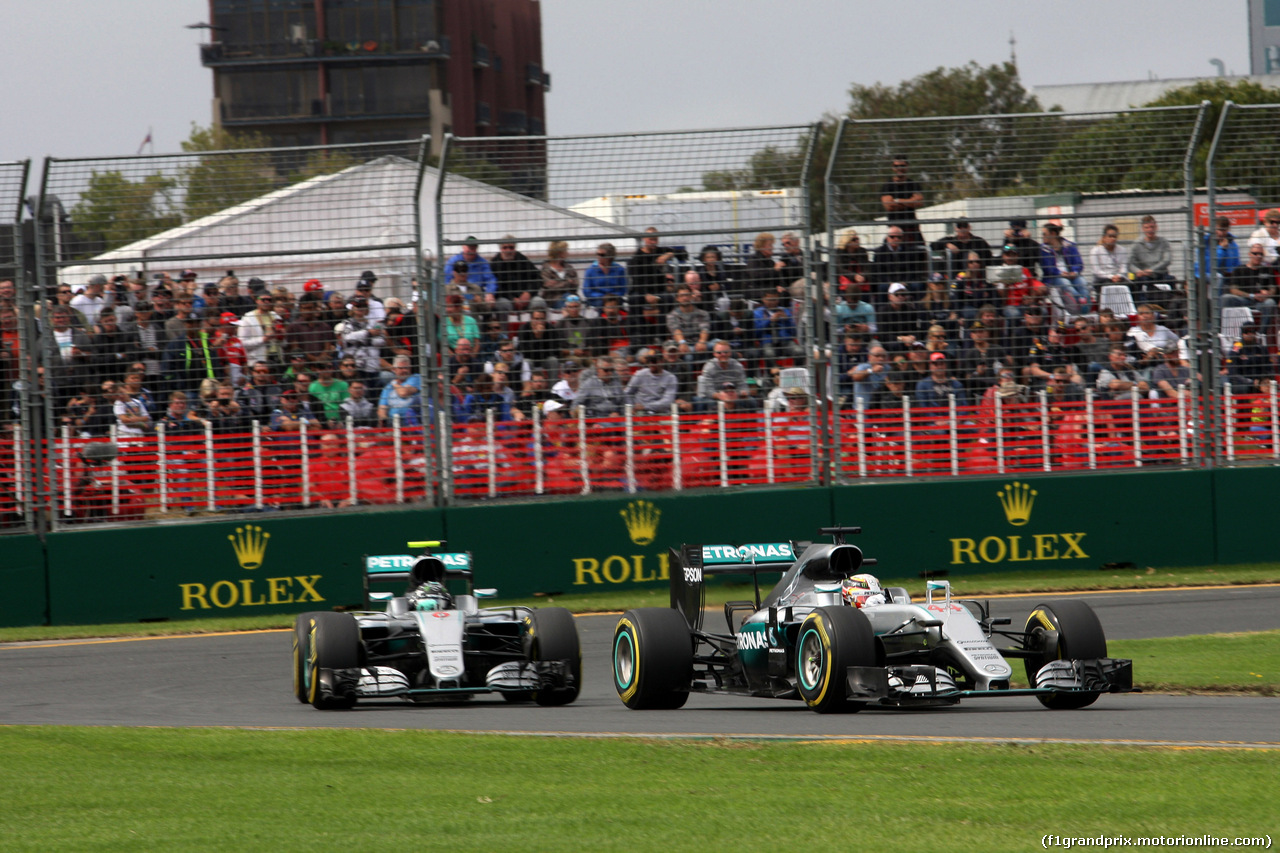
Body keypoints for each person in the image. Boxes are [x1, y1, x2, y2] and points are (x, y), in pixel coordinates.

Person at [1039, 223, 1090, 314]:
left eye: (1044, 234)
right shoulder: (1044, 249)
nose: (1042, 236)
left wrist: (1074, 271)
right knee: (1065, 283)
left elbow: (1078, 263)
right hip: (1054, 277)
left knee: (1082, 282)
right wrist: (1060, 273)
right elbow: (1047, 268)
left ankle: (1084, 312)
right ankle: (1080, 304)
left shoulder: (1069, 245)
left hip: (1071, 275)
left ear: (1053, 234)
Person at [334, 298, 385, 385]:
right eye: (358, 306)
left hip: (372, 366)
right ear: (353, 308)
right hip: (356, 367)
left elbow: (381, 341)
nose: (360, 308)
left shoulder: (374, 324)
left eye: (363, 306)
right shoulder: (347, 323)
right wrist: (368, 333)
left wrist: (361, 339)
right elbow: (348, 338)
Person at [1225, 244, 1277, 327]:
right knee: (1226, 298)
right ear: (1249, 254)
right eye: (1255, 253)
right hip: (1244, 300)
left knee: (1270, 303)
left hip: (1261, 302)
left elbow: (1273, 289)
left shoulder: (1268, 270)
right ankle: (1222, 332)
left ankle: (1261, 334)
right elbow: (1233, 289)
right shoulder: (1239, 269)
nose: (1258, 256)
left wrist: (1267, 294)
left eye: (1261, 254)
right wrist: (1251, 296)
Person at [626, 228, 682, 306]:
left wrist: (668, 255)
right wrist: (646, 295)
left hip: (659, 290)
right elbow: (636, 281)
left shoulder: (661, 251)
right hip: (641, 291)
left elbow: (684, 254)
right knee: (634, 299)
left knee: (669, 299)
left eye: (655, 239)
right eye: (651, 239)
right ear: (644, 238)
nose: (653, 242)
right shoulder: (636, 258)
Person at [445, 237, 501, 312]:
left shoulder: (482, 263)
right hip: (457, 294)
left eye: (473, 248)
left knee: (490, 304)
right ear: (463, 247)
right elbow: (446, 280)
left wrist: (489, 293)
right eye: (469, 248)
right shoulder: (452, 261)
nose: (471, 251)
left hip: (476, 293)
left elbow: (490, 279)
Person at [879, 155, 924, 245]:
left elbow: (918, 202)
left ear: (907, 166)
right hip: (894, 230)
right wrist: (909, 201)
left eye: (902, 166)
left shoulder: (913, 184)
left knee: (921, 254)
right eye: (896, 166)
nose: (899, 168)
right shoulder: (887, 186)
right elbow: (889, 206)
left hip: (912, 228)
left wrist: (897, 201)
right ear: (892, 167)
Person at [871, 226, 928, 296]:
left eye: (899, 237)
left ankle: (917, 306)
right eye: (892, 237)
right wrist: (890, 283)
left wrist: (905, 282)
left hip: (905, 282)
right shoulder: (880, 252)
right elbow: (877, 272)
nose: (896, 239)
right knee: (882, 287)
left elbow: (913, 270)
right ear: (887, 238)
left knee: (917, 285)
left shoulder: (909, 251)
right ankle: (882, 307)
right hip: (888, 282)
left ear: (902, 238)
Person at [490, 236, 540, 313]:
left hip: (526, 298)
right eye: (505, 247)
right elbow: (496, 287)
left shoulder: (522, 259)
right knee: (502, 304)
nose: (508, 250)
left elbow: (537, 277)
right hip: (506, 298)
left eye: (511, 247)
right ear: (500, 249)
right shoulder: (494, 264)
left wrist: (528, 293)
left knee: (539, 302)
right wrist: (512, 299)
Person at [1128, 214, 1175, 288]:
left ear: (1156, 227)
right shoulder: (1137, 244)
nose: (1150, 230)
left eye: (1152, 227)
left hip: (1160, 274)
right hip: (1143, 276)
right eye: (1147, 227)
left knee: (1171, 280)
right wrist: (1137, 271)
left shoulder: (1163, 242)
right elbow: (1130, 263)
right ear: (1143, 229)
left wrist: (1152, 270)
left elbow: (1167, 260)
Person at [238, 291, 284, 367]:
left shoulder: (276, 317)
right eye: (263, 300)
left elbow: (284, 344)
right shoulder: (248, 318)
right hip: (257, 362)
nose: (266, 302)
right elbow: (242, 343)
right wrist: (263, 339)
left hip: (276, 359)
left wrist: (282, 336)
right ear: (257, 300)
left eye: (269, 300)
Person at [666, 284, 711, 356]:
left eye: (687, 295)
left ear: (691, 296)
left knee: (720, 346)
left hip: (700, 342)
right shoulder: (672, 315)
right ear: (677, 298)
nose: (685, 298)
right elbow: (676, 331)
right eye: (682, 296)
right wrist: (682, 343)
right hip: (683, 344)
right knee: (687, 355)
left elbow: (704, 329)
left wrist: (702, 341)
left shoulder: (702, 313)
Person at [378, 356, 422, 426]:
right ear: (394, 369)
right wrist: (384, 419)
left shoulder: (416, 378)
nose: (404, 370)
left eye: (406, 368)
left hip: (411, 421)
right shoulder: (388, 388)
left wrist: (394, 383)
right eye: (401, 368)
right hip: (393, 422)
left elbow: (403, 393)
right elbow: (382, 408)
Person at [583, 243, 629, 308]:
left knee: (614, 305)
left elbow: (623, 289)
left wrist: (612, 297)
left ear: (609, 256)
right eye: (597, 254)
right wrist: (602, 297)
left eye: (602, 255)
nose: (598, 257)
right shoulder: (591, 270)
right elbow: (587, 291)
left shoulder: (619, 270)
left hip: (615, 299)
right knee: (603, 305)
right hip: (597, 300)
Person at [516, 306, 560, 372]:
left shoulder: (551, 329)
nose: (539, 322)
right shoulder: (524, 329)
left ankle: (553, 382)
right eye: (536, 319)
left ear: (545, 319)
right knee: (526, 362)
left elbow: (554, 351)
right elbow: (524, 352)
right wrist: (536, 337)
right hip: (530, 359)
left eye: (541, 319)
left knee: (553, 360)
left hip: (545, 359)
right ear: (531, 319)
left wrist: (541, 336)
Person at [1197, 216, 1240, 281]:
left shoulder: (1232, 244)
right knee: (1218, 277)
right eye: (1220, 230)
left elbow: (1236, 265)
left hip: (1226, 280)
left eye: (1224, 230)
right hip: (1206, 276)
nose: (1222, 233)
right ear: (1214, 229)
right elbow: (1210, 267)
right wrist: (1221, 249)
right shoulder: (1205, 242)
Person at [539, 240, 579, 308]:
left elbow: (576, 283)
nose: (568, 253)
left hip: (571, 297)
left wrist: (558, 283)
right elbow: (550, 287)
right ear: (559, 253)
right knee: (569, 302)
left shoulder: (568, 267)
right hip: (553, 299)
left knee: (574, 300)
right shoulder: (546, 269)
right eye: (566, 251)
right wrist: (568, 282)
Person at [555, 294, 594, 360]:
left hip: (584, 354)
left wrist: (588, 351)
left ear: (580, 307)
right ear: (566, 308)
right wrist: (572, 352)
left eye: (576, 307)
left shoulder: (588, 322)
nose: (574, 309)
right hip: (568, 356)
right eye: (570, 307)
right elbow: (558, 349)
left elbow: (591, 344)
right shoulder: (560, 324)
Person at [835, 232, 872, 296]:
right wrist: (854, 276)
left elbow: (867, 268)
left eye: (858, 239)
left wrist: (862, 276)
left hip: (861, 280)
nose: (857, 241)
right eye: (854, 239)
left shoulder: (862, 251)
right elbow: (841, 269)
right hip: (847, 280)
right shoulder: (840, 252)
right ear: (847, 241)